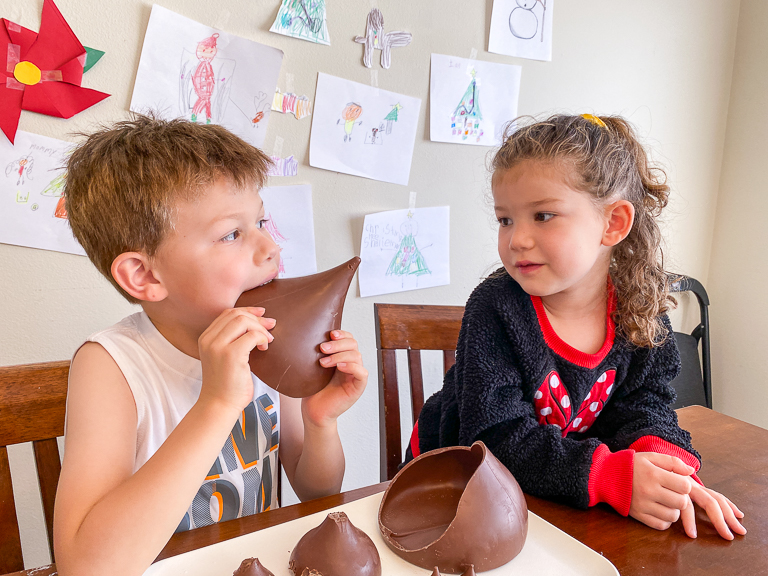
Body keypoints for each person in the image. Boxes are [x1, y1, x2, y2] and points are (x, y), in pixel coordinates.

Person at [53, 116, 368, 576]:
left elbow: (317, 493)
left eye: (260, 221)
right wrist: (218, 402)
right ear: (145, 276)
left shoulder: (268, 342)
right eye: (232, 234)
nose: (271, 248)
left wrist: (320, 421)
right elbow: (86, 567)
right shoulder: (111, 366)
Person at [409, 114, 746, 541]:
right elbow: (495, 439)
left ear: (613, 223)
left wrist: (668, 472)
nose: (516, 240)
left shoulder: (640, 308)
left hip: (549, 493)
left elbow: (646, 405)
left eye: (543, 215)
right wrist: (608, 475)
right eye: (505, 219)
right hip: (450, 481)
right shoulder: (495, 306)